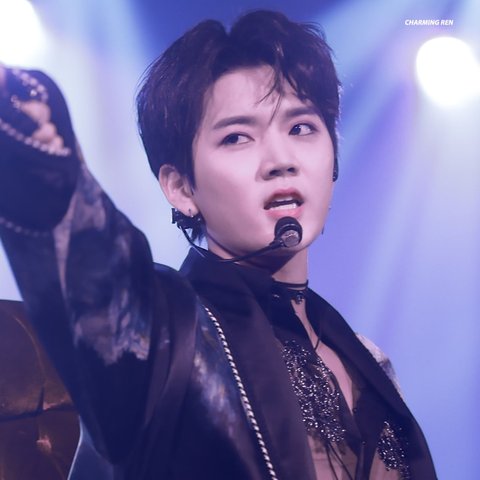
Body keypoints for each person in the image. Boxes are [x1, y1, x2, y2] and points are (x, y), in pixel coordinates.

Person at [0, 10, 436, 480]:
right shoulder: (165, 333)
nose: (281, 159)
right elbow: (99, 273)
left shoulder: (369, 362)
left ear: (333, 156)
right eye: (237, 137)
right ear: (181, 188)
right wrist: (37, 150)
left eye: (301, 128)